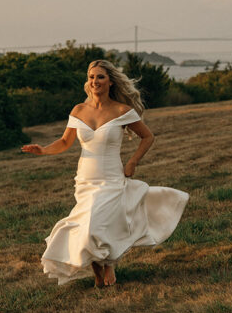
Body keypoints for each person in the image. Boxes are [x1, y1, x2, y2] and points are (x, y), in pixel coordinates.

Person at [22, 58, 188, 287]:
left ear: (111, 82)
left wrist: (132, 162)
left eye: (100, 77)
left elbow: (147, 137)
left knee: (96, 223)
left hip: (111, 177)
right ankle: (98, 269)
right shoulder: (79, 110)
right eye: (91, 77)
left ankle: (109, 261)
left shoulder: (122, 111)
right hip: (85, 179)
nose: (95, 81)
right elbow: (64, 141)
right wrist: (42, 150)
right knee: (86, 225)